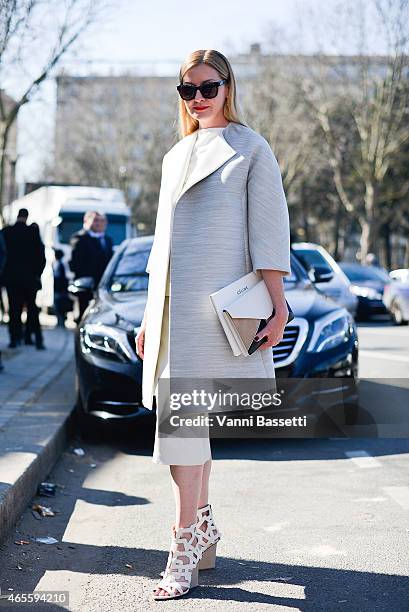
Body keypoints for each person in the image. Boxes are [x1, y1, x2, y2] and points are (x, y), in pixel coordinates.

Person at [135, 49, 291, 600]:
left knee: (183, 431)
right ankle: (199, 530)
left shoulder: (251, 148)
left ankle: (182, 546)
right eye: (188, 90)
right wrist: (149, 317)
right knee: (183, 430)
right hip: (173, 311)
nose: (198, 98)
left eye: (208, 86)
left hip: (218, 309)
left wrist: (278, 302)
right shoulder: (174, 155)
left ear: (228, 87)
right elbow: (162, 246)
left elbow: (268, 229)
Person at [1, 209, 46, 349]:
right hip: (30, 279)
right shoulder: (33, 232)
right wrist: (37, 274)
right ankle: (35, 339)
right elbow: (41, 257)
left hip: (12, 279)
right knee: (32, 309)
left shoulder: (6, 232)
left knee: (14, 309)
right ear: (27, 217)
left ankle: (14, 338)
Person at [69, 211, 113, 321]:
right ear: (87, 221)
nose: (99, 224)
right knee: (84, 316)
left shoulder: (107, 240)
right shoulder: (79, 238)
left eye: (102, 221)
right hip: (86, 286)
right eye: (96, 220)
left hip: (103, 284)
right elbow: (76, 263)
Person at [53, 249, 70, 327]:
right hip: (59, 289)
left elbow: (62, 279)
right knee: (59, 306)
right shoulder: (58, 264)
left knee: (60, 306)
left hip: (60, 289)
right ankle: (60, 321)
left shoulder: (61, 265)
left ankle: (61, 322)